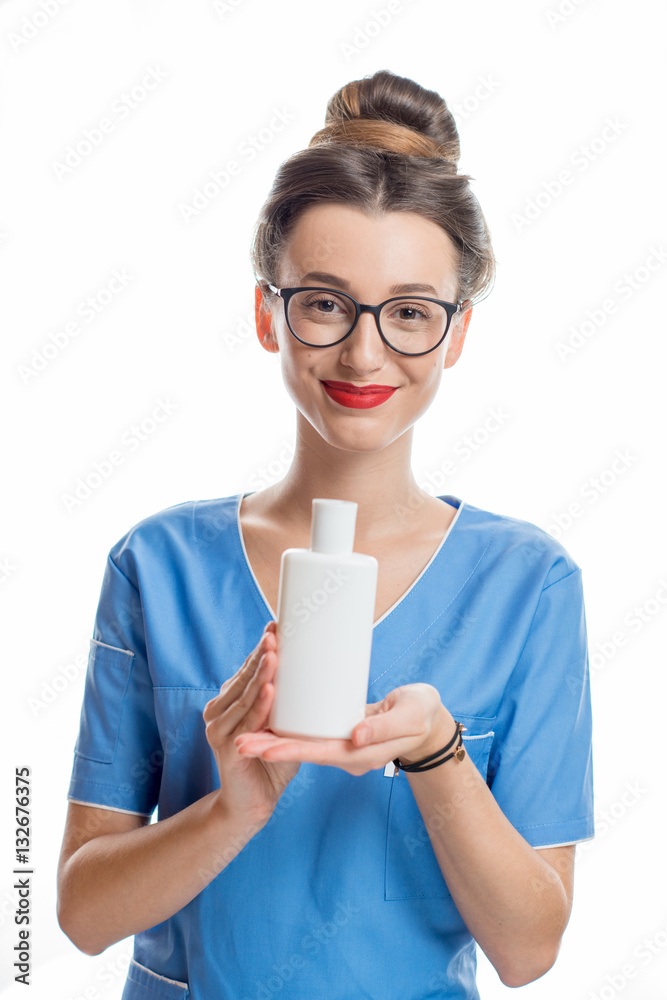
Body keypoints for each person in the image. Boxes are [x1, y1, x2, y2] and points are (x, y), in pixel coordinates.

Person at [57, 69, 594, 1000]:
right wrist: (233, 808)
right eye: (324, 301)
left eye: (411, 312)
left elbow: (528, 951)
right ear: (269, 312)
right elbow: (79, 915)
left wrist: (434, 752)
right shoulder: (158, 566)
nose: (362, 351)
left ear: (456, 332)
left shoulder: (528, 584)